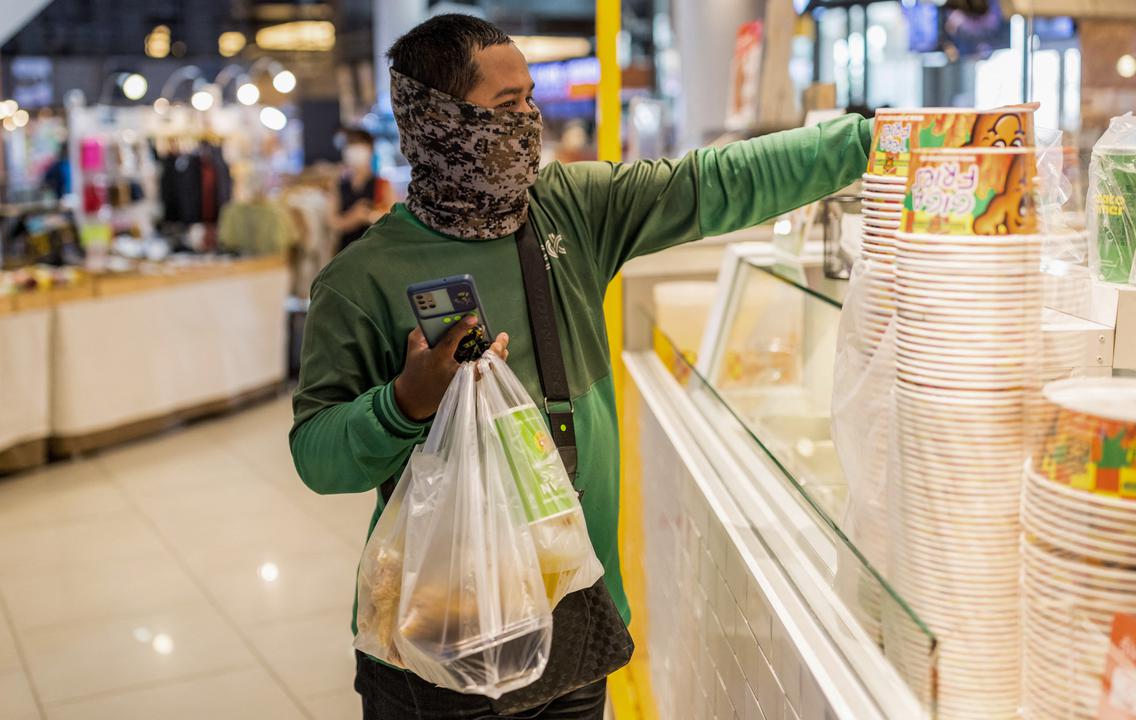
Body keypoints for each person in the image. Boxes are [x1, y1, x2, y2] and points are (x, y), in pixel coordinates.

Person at [290, 13, 873, 719]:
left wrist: (872, 142)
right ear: (439, 121)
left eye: (531, 100)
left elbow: (716, 181)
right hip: (437, 642)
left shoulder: (569, 208)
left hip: (575, 615)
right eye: (507, 105)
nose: (528, 121)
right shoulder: (361, 279)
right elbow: (318, 457)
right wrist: (404, 403)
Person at [330, 128, 383, 253]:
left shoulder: (382, 184)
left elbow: (392, 218)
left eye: (360, 145)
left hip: (375, 250)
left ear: (370, 150)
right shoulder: (338, 185)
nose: (355, 150)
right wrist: (354, 217)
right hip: (346, 252)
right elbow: (332, 223)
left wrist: (369, 215)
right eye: (351, 145)